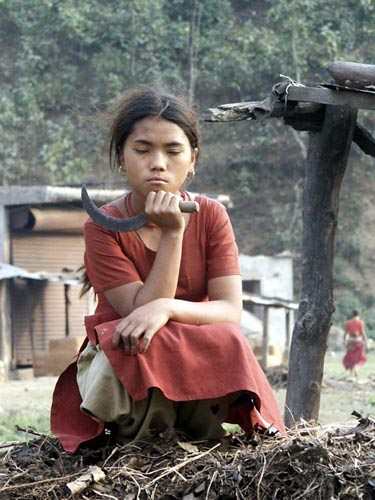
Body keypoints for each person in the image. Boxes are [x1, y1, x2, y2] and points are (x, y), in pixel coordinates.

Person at [50, 87, 285, 453]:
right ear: (121, 159)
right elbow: (140, 316)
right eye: (142, 150)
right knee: (141, 340)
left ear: (192, 160)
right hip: (133, 353)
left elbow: (229, 309)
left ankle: (202, 432)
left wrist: (169, 308)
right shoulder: (102, 226)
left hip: (195, 345)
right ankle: (145, 440)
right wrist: (174, 232)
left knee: (229, 337)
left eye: (173, 151)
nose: (157, 163)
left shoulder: (211, 216)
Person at [342, 309, 368, 379]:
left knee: (350, 357)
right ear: (358, 315)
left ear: (352, 314)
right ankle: (356, 368)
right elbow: (362, 333)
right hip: (358, 341)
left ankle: (351, 374)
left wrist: (344, 341)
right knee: (360, 358)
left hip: (350, 341)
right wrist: (366, 341)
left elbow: (345, 334)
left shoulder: (348, 323)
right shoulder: (360, 322)